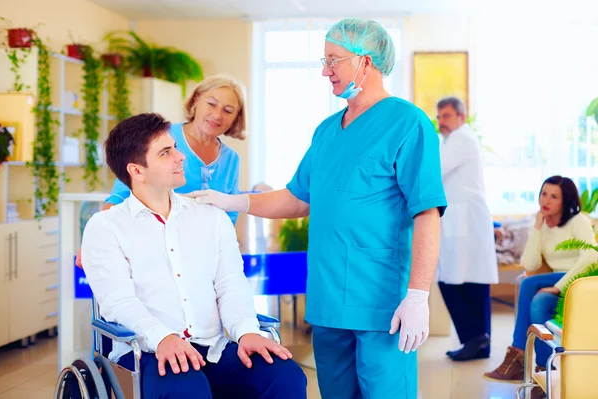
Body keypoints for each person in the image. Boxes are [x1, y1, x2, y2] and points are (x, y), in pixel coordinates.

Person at [188, 18, 447, 399]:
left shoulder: (408, 124)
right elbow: (297, 197)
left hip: (382, 303)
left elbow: (427, 213)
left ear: (365, 61)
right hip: (328, 300)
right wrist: (236, 201)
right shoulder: (327, 130)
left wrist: (418, 295)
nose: (325, 71)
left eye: (333, 60)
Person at [81, 113, 307, 399]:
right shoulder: (106, 227)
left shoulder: (211, 217)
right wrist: (163, 336)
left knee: (284, 375)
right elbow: (118, 301)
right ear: (137, 171)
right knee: (187, 387)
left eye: (175, 147)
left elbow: (230, 285)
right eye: (166, 152)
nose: (180, 156)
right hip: (146, 353)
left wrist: (247, 331)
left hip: (212, 349)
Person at [75, 75, 246, 268]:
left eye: (228, 111)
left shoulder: (231, 159)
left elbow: (229, 215)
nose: (217, 115)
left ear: (236, 118)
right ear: (196, 99)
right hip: (150, 248)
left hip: (202, 255)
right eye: (212, 104)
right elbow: (121, 193)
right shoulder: (162, 136)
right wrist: (96, 240)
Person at [484, 176, 598, 384]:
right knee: (538, 301)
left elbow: (591, 258)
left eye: (554, 196)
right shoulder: (543, 225)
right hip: (554, 283)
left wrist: (557, 287)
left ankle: (516, 356)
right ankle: (543, 372)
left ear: (566, 201)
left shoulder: (578, 221)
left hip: (579, 281)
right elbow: (530, 263)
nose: (546, 200)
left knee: (527, 283)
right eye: (544, 194)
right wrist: (537, 228)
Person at [435, 96, 499, 361]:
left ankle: (476, 340)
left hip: (466, 221)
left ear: (461, 116)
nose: (441, 122)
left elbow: (435, 169)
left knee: (454, 281)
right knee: (468, 280)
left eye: (446, 116)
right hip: (463, 220)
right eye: (439, 117)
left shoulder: (461, 138)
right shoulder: (455, 140)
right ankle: (478, 342)